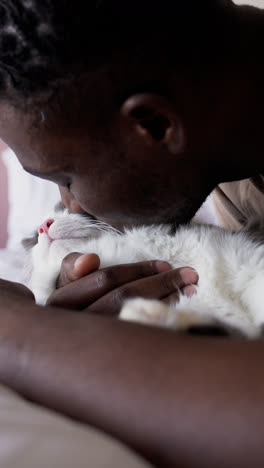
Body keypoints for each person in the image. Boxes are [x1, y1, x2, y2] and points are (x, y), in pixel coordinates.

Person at [0, 0, 264, 466]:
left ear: (155, 125)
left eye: (66, 176)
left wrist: (21, 334)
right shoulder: (231, 154)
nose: (70, 205)